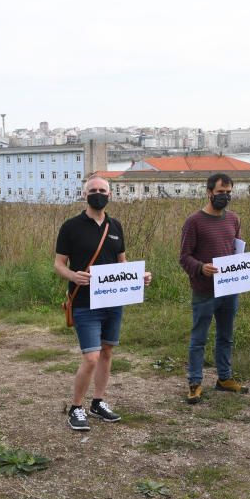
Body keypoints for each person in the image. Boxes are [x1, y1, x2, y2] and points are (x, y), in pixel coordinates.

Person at [54, 175, 152, 431]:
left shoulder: (115, 226)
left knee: (107, 352)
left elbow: (122, 262)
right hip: (84, 303)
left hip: (113, 300)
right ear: (84, 194)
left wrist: (138, 276)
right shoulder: (71, 226)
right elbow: (58, 264)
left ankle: (97, 402)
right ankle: (76, 407)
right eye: (93, 190)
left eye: (102, 190)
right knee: (91, 357)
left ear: (110, 195)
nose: (98, 194)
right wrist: (73, 276)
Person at [179, 173, 250, 404]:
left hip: (229, 290)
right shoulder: (194, 221)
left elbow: (234, 251)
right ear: (209, 192)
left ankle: (224, 378)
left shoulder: (233, 219)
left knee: (226, 337)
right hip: (204, 291)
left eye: (228, 193)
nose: (225, 196)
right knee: (199, 338)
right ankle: (195, 383)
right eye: (220, 193)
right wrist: (200, 268)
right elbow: (184, 257)